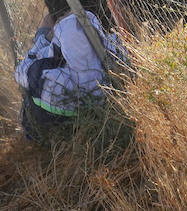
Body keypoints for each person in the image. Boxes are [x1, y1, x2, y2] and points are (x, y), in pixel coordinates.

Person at [15, 10, 126, 143]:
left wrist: (46, 39)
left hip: (42, 128)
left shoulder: (52, 78)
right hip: (82, 122)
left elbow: (23, 72)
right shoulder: (112, 57)